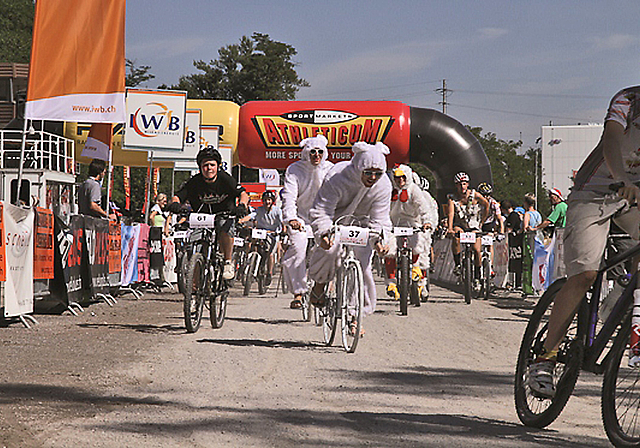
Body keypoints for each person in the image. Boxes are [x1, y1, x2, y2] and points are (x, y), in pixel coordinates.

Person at [528, 86, 640, 399]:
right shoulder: (628, 101)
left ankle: (620, 301)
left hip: (636, 197)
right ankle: (545, 359)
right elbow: (612, 140)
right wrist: (623, 180)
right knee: (586, 275)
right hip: (596, 191)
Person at [308, 141, 393, 335]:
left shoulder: (384, 185)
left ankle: (356, 315)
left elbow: (380, 218)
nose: (373, 178)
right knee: (330, 250)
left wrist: (381, 240)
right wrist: (323, 232)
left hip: (362, 224)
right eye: (368, 172)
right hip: (335, 219)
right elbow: (322, 209)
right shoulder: (337, 177)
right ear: (359, 167)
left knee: (363, 263)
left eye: (377, 174)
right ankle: (320, 284)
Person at [168, 147, 250, 280]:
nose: (209, 168)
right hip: (202, 217)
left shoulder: (225, 179)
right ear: (200, 167)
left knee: (225, 228)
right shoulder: (195, 181)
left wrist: (242, 205)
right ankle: (194, 284)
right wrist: (175, 204)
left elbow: (243, 194)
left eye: (212, 165)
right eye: (205, 165)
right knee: (195, 244)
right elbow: (178, 196)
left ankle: (228, 262)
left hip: (223, 214)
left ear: (218, 166)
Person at [280, 135, 334, 309]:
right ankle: (298, 292)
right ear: (305, 153)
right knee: (297, 247)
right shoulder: (294, 170)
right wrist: (291, 218)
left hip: (324, 218)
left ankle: (324, 285)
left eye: (319, 152)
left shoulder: (331, 169)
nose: (316, 155)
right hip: (301, 220)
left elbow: (339, 195)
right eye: (312, 152)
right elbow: (289, 196)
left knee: (331, 247)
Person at [384, 164, 438, 301]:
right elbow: (381, 208)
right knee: (389, 248)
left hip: (413, 223)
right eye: (397, 178)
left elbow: (423, 208)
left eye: (402, 177)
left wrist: (427, 222)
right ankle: (391, 283)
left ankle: (415, 269)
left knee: (418, 244)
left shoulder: (414, 190)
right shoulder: (388, 190)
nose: (399, 180)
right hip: (393, 224)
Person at [446, 172, 490, 281]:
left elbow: (487, 205)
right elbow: (450, 213)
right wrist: (450, 228)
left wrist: (482, 221)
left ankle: (477, 274)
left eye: (464, 184)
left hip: (474, 225)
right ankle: (458, 264)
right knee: (456, 236)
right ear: (456, 185)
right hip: (460, 225)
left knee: (476, 249)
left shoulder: (475, 195)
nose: (462, 187)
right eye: (460, 184)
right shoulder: (452, 198)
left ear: (468, 184)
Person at [239, 190, 283, 286]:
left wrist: (282, 230)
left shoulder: (277, 211)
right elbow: (251, 216)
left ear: (272, 201)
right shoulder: (259, 210)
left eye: (269, 200)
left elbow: (282, 221)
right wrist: (241, 220)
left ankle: (269, 274)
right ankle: (250, 265)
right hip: (260, 233)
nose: (267, 202)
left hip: (273, 235)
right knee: (252, 246)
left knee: (270, 254)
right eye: (265, 200)